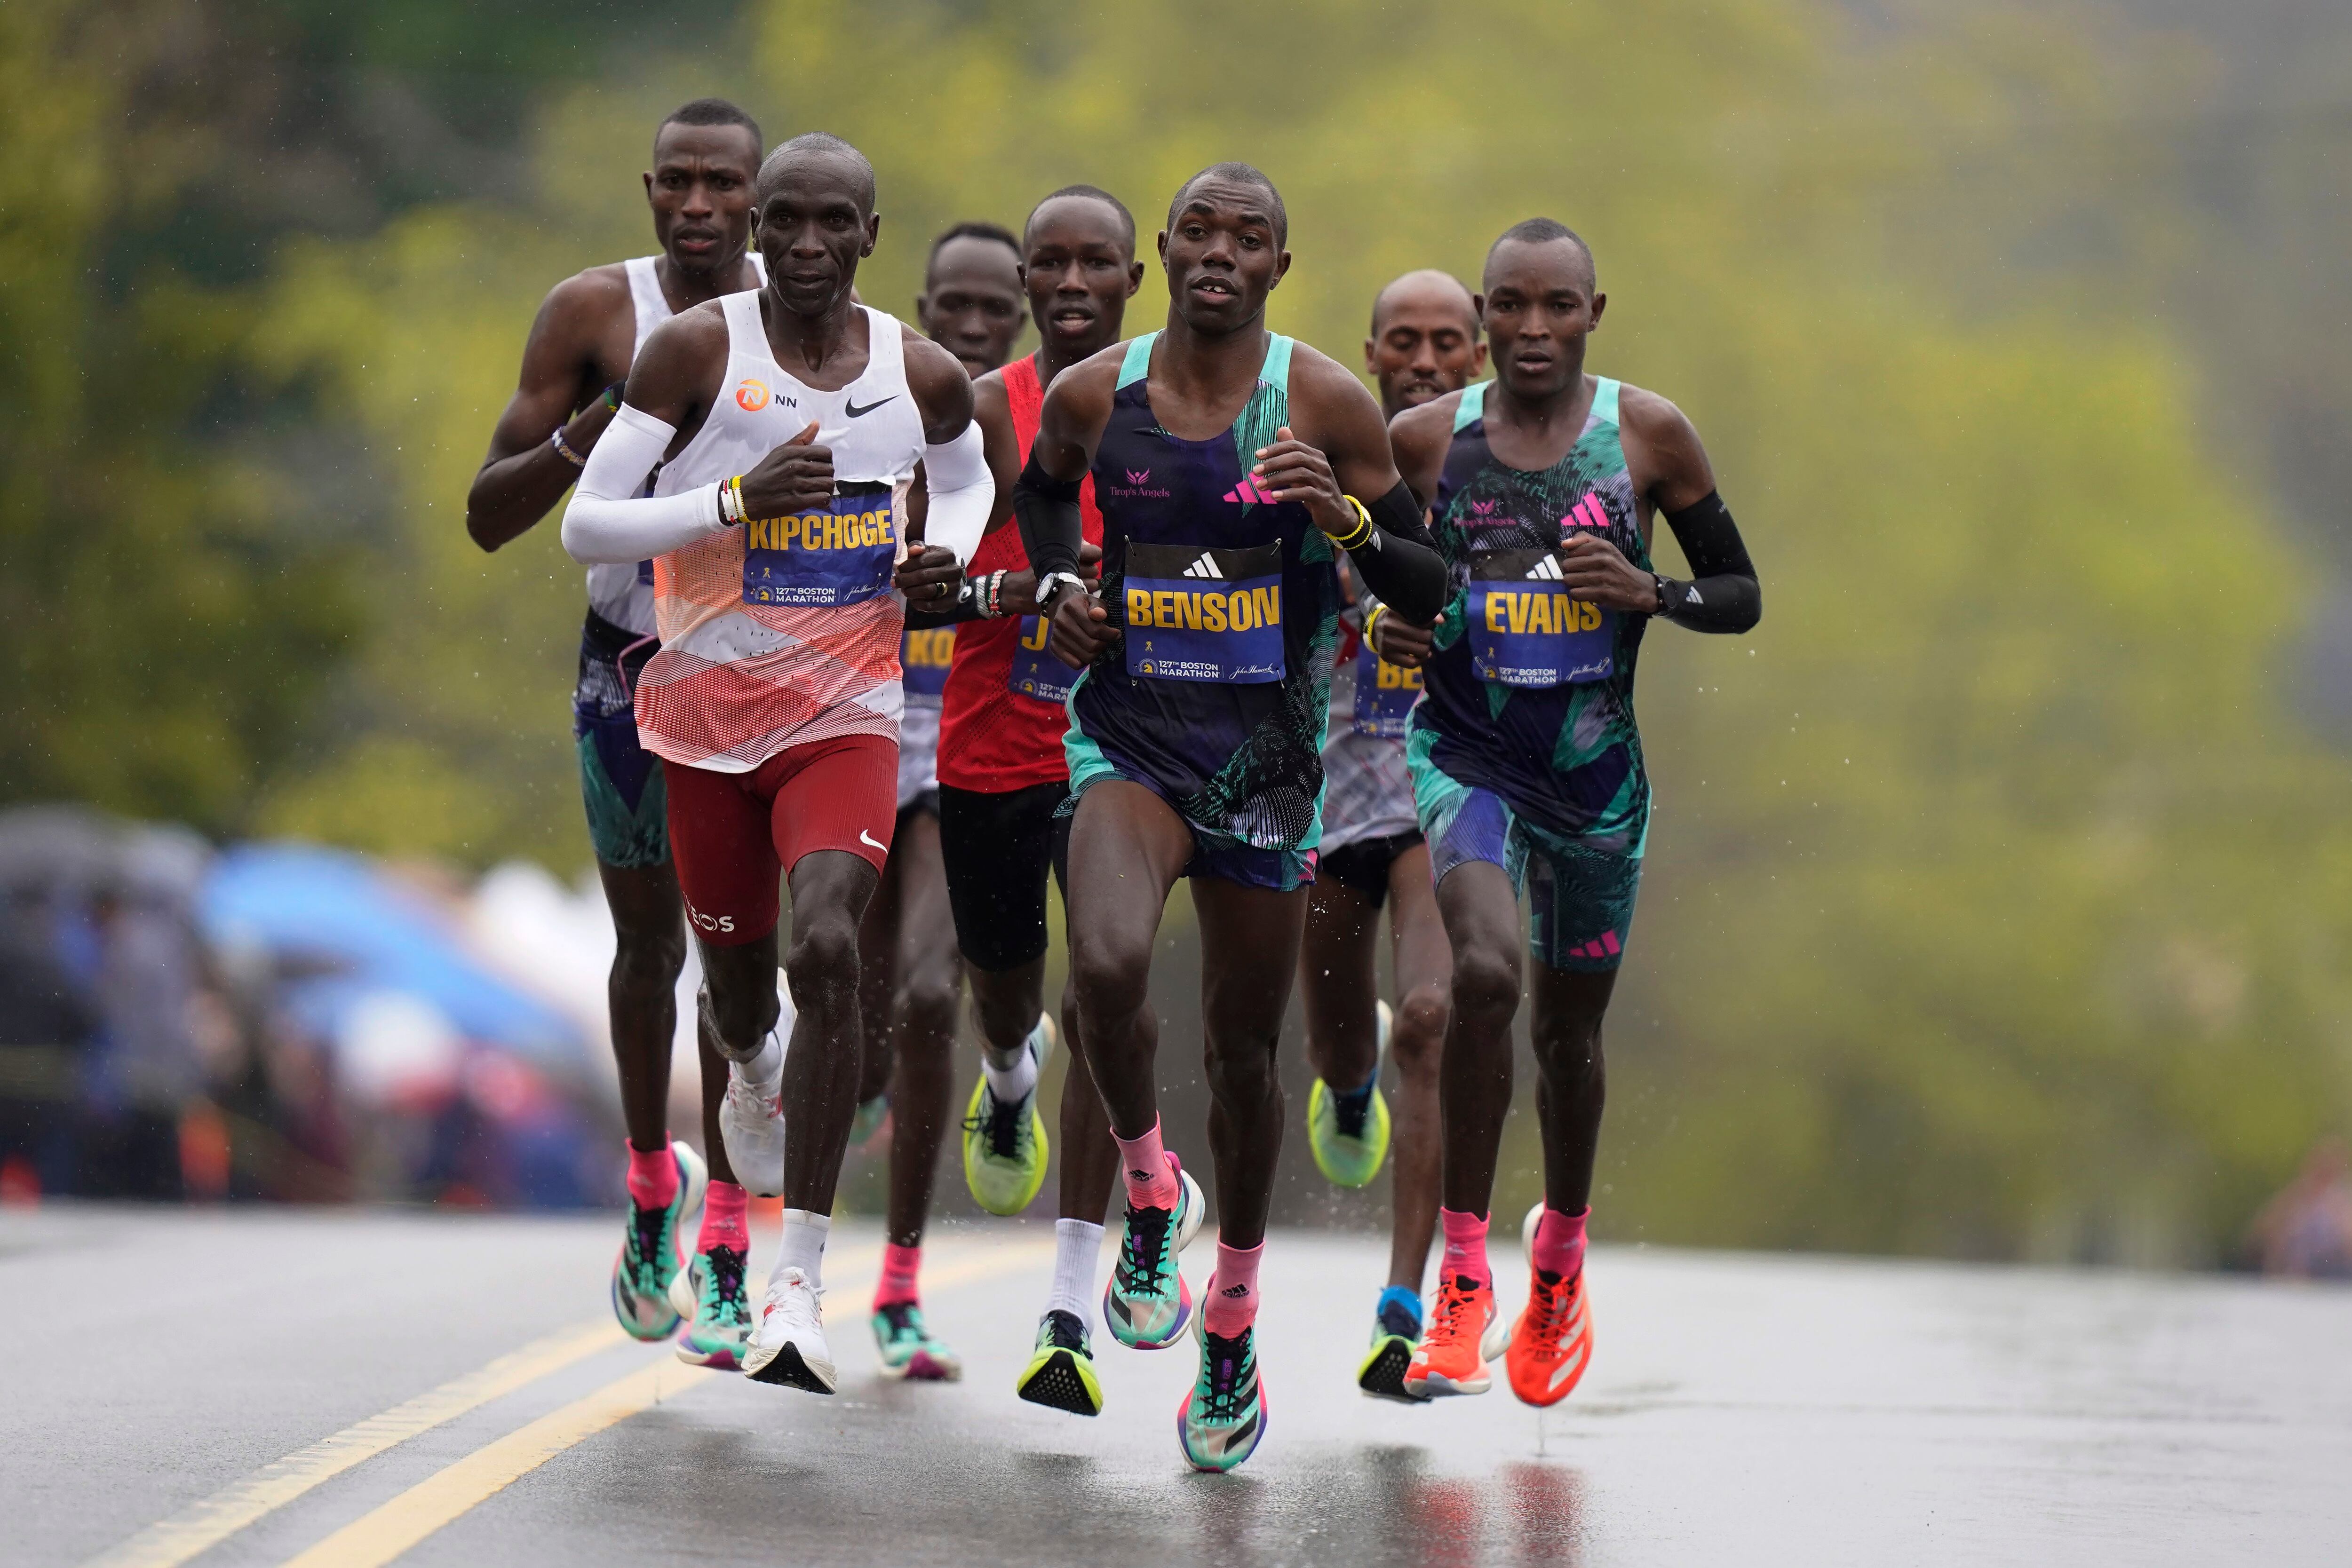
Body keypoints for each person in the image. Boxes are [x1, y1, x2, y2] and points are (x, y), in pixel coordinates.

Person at [1015, 164, 1447, 1470]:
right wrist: (1055, 584)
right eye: (1197, 231)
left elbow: (1422, 576)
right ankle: (1154, 1190)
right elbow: (1043, 490)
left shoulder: (1323, 399)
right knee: (1101, 967)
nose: (1219, 252)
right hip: (1130, 734)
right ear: (1167, 250)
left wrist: (1345, 514)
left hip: (1266, 769)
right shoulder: (1101, 391)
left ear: (1278, 264)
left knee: (1247, 1057)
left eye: (1245, 237)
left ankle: (1233, 1320)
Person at [560, 131, 993, 1396]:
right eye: (784, 223)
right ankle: (749, 1071)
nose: (807, 246)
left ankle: (798, 1284)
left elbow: (961, 484)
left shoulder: (916, 369)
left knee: (827, 941)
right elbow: (590, 520)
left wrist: (943, 555)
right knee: (742, 996)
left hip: (847, 709)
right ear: (758, 231)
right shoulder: (699, 351)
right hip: (702, 716)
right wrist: (732, 506)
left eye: (833, 224)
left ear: (872, 232)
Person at [1384, 218, 1760, 1407]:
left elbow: (1742, 594)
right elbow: (1382, 574)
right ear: (1483, 316)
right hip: (1465, 756)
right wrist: (1395, 613)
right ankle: (1461, 1279)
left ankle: (1556, 1261)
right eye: (1510, 307)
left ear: (1597, 312)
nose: (1531, 329)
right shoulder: (1424, 441)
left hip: (1595, 780)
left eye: (1557, 307)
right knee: (1483, 977)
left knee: (1568, 1041)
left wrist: (1651, 589)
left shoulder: (1645, 434)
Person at [464, 99, 768, 1369]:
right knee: (651, 945)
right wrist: (600, 428)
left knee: (745, 954)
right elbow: (488, 513)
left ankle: (734, 1232)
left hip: (768, 663)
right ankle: (655, 1182)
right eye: (678, 183)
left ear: (760, 201)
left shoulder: (809, 317)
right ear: (650, 191)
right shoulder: (591, 314)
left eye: (723, 186)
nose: (698, 205)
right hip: (630, 660)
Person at [932, 186, 1142, 1417]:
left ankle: (1068, 1305)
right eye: (1048, 263)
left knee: (1102, 977)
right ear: (1025, 286)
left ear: (1133, 280)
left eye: (1095, 263)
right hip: (987, 745)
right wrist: (1020, 594)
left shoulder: (1171, 417)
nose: (1070, 283)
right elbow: (911, 591)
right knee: (1006, 990)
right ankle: (1009, 1071)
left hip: (1117, 755)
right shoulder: (977, 413)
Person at [1297, 269, 1486, 1402]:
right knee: (1341, 1042)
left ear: (1476, 356)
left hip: (1436, 790)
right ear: (1369, 354)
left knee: (1428, 1016)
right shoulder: (1325, 463)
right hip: (1319, 796)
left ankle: (1403, 1298)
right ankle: (1345, 1084)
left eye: (1446, 342)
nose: (1424, 360)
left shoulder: (1501, 482)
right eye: (1403, 342)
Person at [850, 219, 1030, 1382]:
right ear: (919, 305)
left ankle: (901, 1285)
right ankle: (857, 1086)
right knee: (848, 990)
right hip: (844, 724)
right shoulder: (863, 405)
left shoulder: (1018, 433)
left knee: (924, 989)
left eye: (992, 311)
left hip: (952, 737)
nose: (969, 328)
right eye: (949, 308)